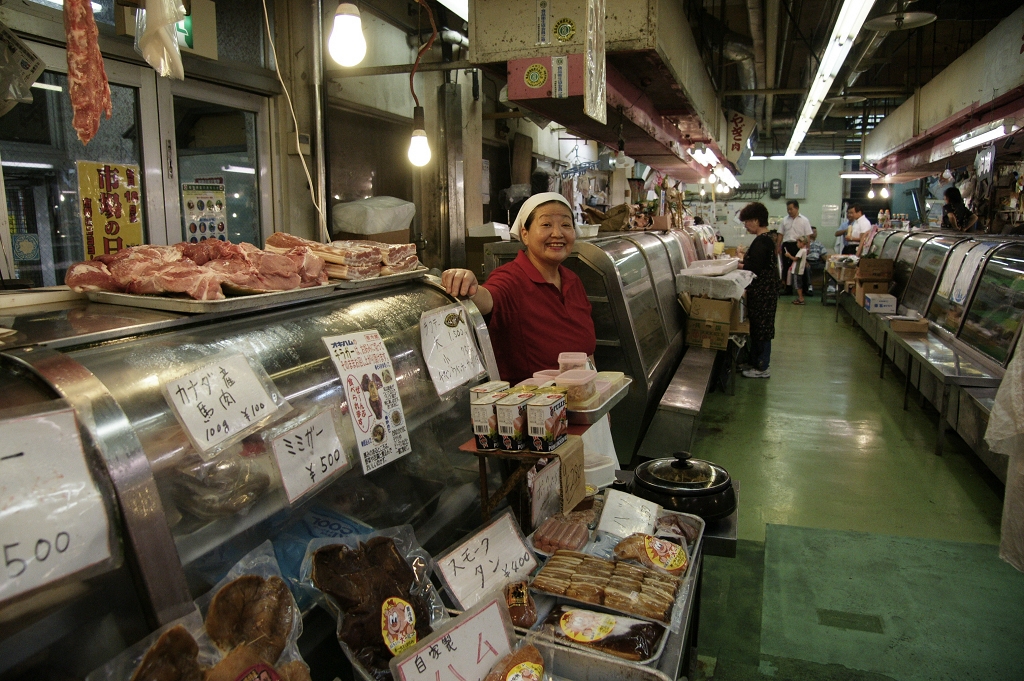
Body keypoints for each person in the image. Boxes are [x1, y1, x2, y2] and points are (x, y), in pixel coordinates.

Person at [441, 193, 595, 385]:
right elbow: (488, 298)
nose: (557, 233)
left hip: (580, 396)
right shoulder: (510, 278)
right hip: (532, 401)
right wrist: (470, 287)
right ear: (525, 234)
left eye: (565, 225)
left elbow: (587, 352)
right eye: (546, 224)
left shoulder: (573, 280)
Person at [738, 202, 779, 378]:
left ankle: (762, 367)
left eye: (747, 221)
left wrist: (737, 264)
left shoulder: (763, 241)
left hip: (764, 291)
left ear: (756, 220)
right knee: (757, 327)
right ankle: (754, 362)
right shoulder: (766, 239)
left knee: (762, 328)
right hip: (763, 290)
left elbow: (754, 267)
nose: (746, 226)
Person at [781, 201, 813, 293]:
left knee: (801, 267)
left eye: (791, 209)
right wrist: (778, 246)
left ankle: (804, 289)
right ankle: (788, 288)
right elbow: (780, 234)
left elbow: (808, 235)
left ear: (797, 208)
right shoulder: (784, 220)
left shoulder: (804, 220)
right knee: (786, 267)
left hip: (799, 245)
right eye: (788, 209)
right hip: (787, 244)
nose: (789, 211)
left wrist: (807, 248)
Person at [784, 235, 809, 305]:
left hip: (797, 270)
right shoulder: (804, 250)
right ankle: (799, 297)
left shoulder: (802, 251)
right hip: (798, 270)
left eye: (798, 243)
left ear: (802, 243)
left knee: (797, 285)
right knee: (798, 284)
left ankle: (801, 298)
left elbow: (795, 259)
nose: (797, 244)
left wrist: (789, 255)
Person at [804, 228, 828, 294]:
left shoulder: (819, 243)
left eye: (815, 232)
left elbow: (823, 254)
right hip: (808, 261)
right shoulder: (805, 243)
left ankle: (828, 286)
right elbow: (802, 254)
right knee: (807, 268)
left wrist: (828, 263)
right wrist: (805, 262)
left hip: (817, 262)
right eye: (813, 231)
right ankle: (809, 286)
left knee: (828, 268)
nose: (815, 233)